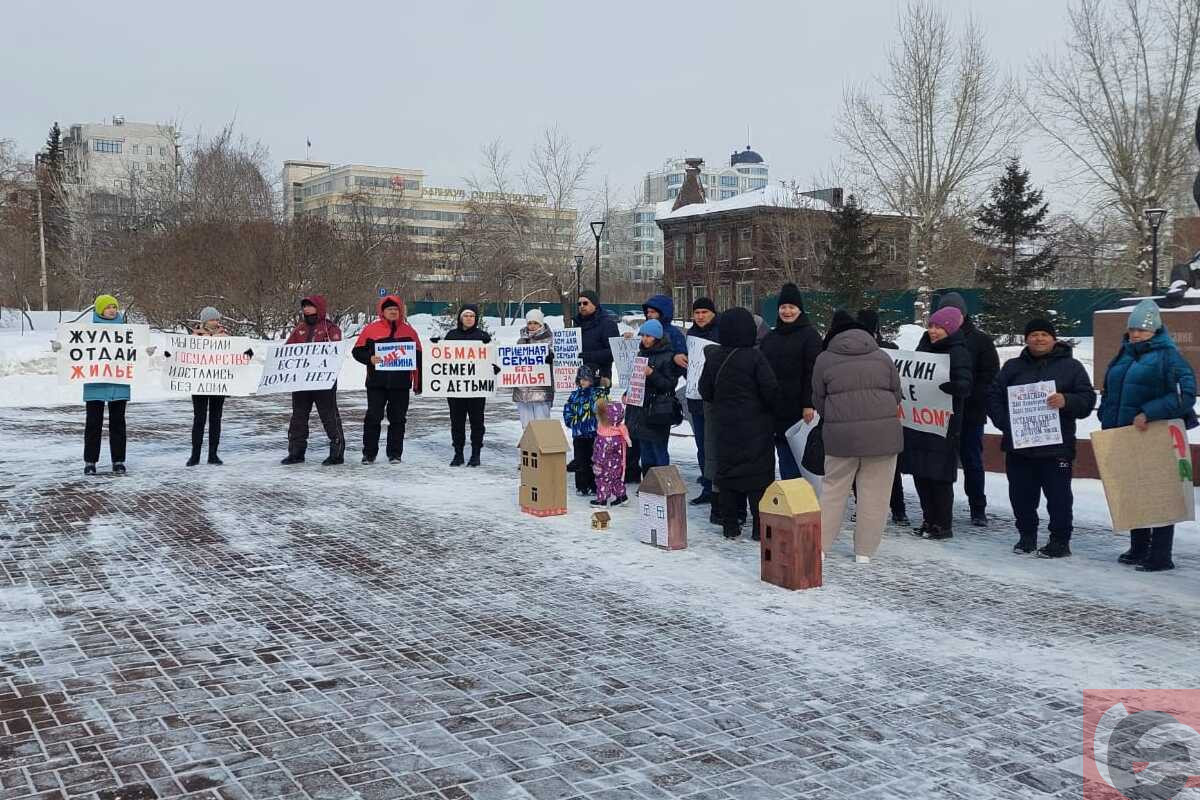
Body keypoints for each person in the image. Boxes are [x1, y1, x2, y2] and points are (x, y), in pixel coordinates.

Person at [1098, 299, 1197, 572]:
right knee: (1133, 490)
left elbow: (1186, 395)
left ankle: (1161, 554)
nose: (1136, 334)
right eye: (1133, 329)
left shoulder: (1169, 356)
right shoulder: (1124, 353)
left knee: (1160, 492)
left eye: (1142, 329)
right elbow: (1110, 390)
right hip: (1124, 433)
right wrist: (1105, 413)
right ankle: (1139, 546)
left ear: (1155, 330)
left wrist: (1149, 412)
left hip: (1156, 434)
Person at [988, 318, 1096, 558]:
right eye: (1034, 334)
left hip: (1056, 447)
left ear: (1054, 339)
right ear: (1026, 339)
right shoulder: (1012, 367)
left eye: (1044, 334)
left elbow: (1087, 400)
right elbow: (994, 396)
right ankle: (1026, 536)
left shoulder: (1072, 367)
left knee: (1059, 497)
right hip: (1019, 446)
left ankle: (1060, 541)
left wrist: (1066, 400)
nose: (1039, 339)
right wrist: (1006, 423)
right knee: (1021, 496)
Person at [812, 310, 904, 564]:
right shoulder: (882, 356)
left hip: (841, 437)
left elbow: (818, 398)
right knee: (875, 494)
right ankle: (864, 552)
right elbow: (896, 394)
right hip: (883, 437)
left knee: (833, 490)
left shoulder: (824, 359)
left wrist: (836, 417)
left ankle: (819, 547)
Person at [699, 307, 781, 540]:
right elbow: (771, 391)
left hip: (725, 426)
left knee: (727, 477)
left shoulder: (714, 357)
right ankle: (759, 530)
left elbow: (705, 390)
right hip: (756, 427)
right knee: (758, 479)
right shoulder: (756, 357)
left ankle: (730, 526)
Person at [902, 306, 972, 540]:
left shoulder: (959, 352)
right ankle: (928, 519)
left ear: (950, 329)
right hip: (918, 420)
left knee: (939, 475)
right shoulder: (923, 347)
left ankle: (942, 524)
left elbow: (966, 385)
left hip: (944, 424)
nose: (933, 331)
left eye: (939, 327)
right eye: (931, 326)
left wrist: (953, 387)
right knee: (920, 472)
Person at [935, 293, 1000, 526]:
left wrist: (966, 392)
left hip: (970, 413)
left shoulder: (981, 341)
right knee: (940, 462)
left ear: (963, 315)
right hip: (939, 414)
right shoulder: (933, 338)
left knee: (972, 461)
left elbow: (990, 376)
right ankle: (940, 508)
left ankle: (977, 508)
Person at [55, 294, 132, 475]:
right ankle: (90, 461)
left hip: (118, 383)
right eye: (108, 307)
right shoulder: (88, 331)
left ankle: (118, 461)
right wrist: (60, 346)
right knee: (93, 424)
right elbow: (73, 346)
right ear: (99, 310)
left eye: (114, 307)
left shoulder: (126, 330)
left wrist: (146, 351)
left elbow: (135, 350)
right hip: (95, 383)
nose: (112, 310)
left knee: (118, 424)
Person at [760, 283, 822, 479]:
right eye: (783, 307)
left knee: (803, 460)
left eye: (792, 307)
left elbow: (813, 372)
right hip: (776, 409)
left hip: (800, 412)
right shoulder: (771, 337)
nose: (787, 311)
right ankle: (791, 493)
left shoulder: (810, 336)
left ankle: (807, 496)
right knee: (785, 458)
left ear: (800, 309)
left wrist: (808, 404)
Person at [352, 294, 422, 465]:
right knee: (373, 418)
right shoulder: (371, 329)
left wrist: (418, 383)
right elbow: (357, 351)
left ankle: (395, 454)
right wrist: (369, 358)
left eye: (396, 309)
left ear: (400, 311)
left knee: (398, 419)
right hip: (376, 383)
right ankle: (369, 454)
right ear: (382, 312)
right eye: (389, 309)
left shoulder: (409, 331)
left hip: (401, 384)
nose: (393, 312)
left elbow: (418, 357)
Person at [281, 295, 346, 466]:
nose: (306, 309)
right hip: (301, 381)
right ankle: (296, 452)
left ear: (319, 308)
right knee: (298, 417)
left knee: (329, 416)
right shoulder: (299, 329)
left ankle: (337, 453)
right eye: (304, 306)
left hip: (323, 381)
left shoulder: (330, 329)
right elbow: (286, 351)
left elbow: (336, 352)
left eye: (310, 306)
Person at [858, 308, 908, 524]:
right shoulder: (889, 350)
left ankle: (877, 508)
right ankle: (898, 510)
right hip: (882, 416)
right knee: (888, 468)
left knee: (864, 467)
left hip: (864, 416)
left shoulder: (857, 350)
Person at [624, 319, 683, 472]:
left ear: (657, 337)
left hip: (658, 411)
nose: (645, 339)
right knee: (646, 451)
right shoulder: (641, 353)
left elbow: (669, 385)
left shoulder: (668, 356)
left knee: (659, 451)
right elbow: (635, 380)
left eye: (649, 336)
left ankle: (663, 482)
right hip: (640, 409)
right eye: (643, 335)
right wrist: (627, 393)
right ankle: (648, 482)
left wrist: (652, 374)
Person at [573, 290, 620, 474]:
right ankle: (581, 460)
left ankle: (598, 460)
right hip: (580, 381)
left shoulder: (607, 324)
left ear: (595, 304)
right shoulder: (577, 323)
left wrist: (587, 356)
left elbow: (613, 352)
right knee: (579, 420)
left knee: (597, 422)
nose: (582, 306)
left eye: (585, 303)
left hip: (600, 380)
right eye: (579, 303)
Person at [442, 304, 490, 467]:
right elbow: (442, 359)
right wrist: (436, 347)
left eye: (472, 316)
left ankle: (476, 454)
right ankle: (458, 454)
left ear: (476, 318)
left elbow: (492, 360)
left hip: (477, 388)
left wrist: (493, 366)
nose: (469, 319)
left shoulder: (483, 336)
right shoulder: (451, 335)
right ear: (460, 318)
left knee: (477, 422)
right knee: (457, 422)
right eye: (466, 316)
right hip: (456, 388)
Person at [187, 306, 233, 467]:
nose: (215, 322)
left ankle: (213, 454)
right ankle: (195, 455)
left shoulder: (225, 335)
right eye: (212, 319)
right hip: (199, 383)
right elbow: (183, 355)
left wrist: (247, 354)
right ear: (204, 321)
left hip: (218, 383)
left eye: (217, 319)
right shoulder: (194, 336)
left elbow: (236, 354)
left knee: (216, 419)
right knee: (199, 419)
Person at [686, 297, 720, 505]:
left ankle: (718, 488)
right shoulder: (691, 334)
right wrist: (679, 358)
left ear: (713, 313)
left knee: (714, 445)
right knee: (701, 445)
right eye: (697, 313)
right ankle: (707, 486)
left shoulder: (721, 333)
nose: (700, 316)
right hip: (695, 398)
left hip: (715, 400)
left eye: (704, 312)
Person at [563, 365, 606, 495]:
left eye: (586, 379)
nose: (583, 382)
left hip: (594, 435)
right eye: (581, 379)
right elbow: (568, 409)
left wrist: (600, 425)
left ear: (592, 380)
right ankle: (581, 486)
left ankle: (594, 486)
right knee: (580, 461)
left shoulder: (598, 394)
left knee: (594, 461)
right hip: (579, 434)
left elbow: (604, 411)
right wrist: (571, 421)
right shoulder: (574, 395)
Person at [513, 309, 555, 428]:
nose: (532, 326)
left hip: (542, 389)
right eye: (529, 323)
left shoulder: (550, 340)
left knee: (542, 425)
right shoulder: (521, 341)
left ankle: (544, 441)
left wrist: (552, 358)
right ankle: (528, 440)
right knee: (527, 425)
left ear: (541, 323)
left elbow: (559, 362)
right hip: (523, 389)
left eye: (535, 323)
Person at [591, 396, 631, 507]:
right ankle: (622, 497)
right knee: (616, 480)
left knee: (603, 481)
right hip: (616, 463)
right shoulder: (617, 431)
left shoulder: (606, 435)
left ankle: (602, 500)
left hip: (605, 465)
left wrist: (598, 463)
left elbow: (602, 451)